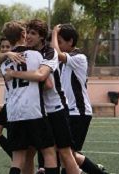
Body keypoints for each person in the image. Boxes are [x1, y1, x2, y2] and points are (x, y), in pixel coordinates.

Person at [5, 19, 80, 174]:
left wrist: (14, 74)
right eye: (28, 32)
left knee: (65, 152)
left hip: (55, 107)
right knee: (30, 153)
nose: (29, 36)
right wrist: (7, 53)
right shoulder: (26, 52)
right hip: (37, 111)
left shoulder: (49, 52)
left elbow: (43, 78)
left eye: (33, 33)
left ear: (41, 37)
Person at [1, 20, 59, 174]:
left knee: (18, 158)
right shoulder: (36, 55)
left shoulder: (4, 62)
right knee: (49, 152)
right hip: (34, 111)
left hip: (13, 113)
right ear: (23, 34)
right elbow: (47, 84)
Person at [52, 24, 111, 174]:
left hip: (79, 112)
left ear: (70, 41)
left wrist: (54, 33)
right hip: (68, 112)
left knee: (67, 154)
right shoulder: (62, 61)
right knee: (66, 153)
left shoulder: (79, 58)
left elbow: (56, 53)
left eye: (60, 41)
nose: (56, 44)